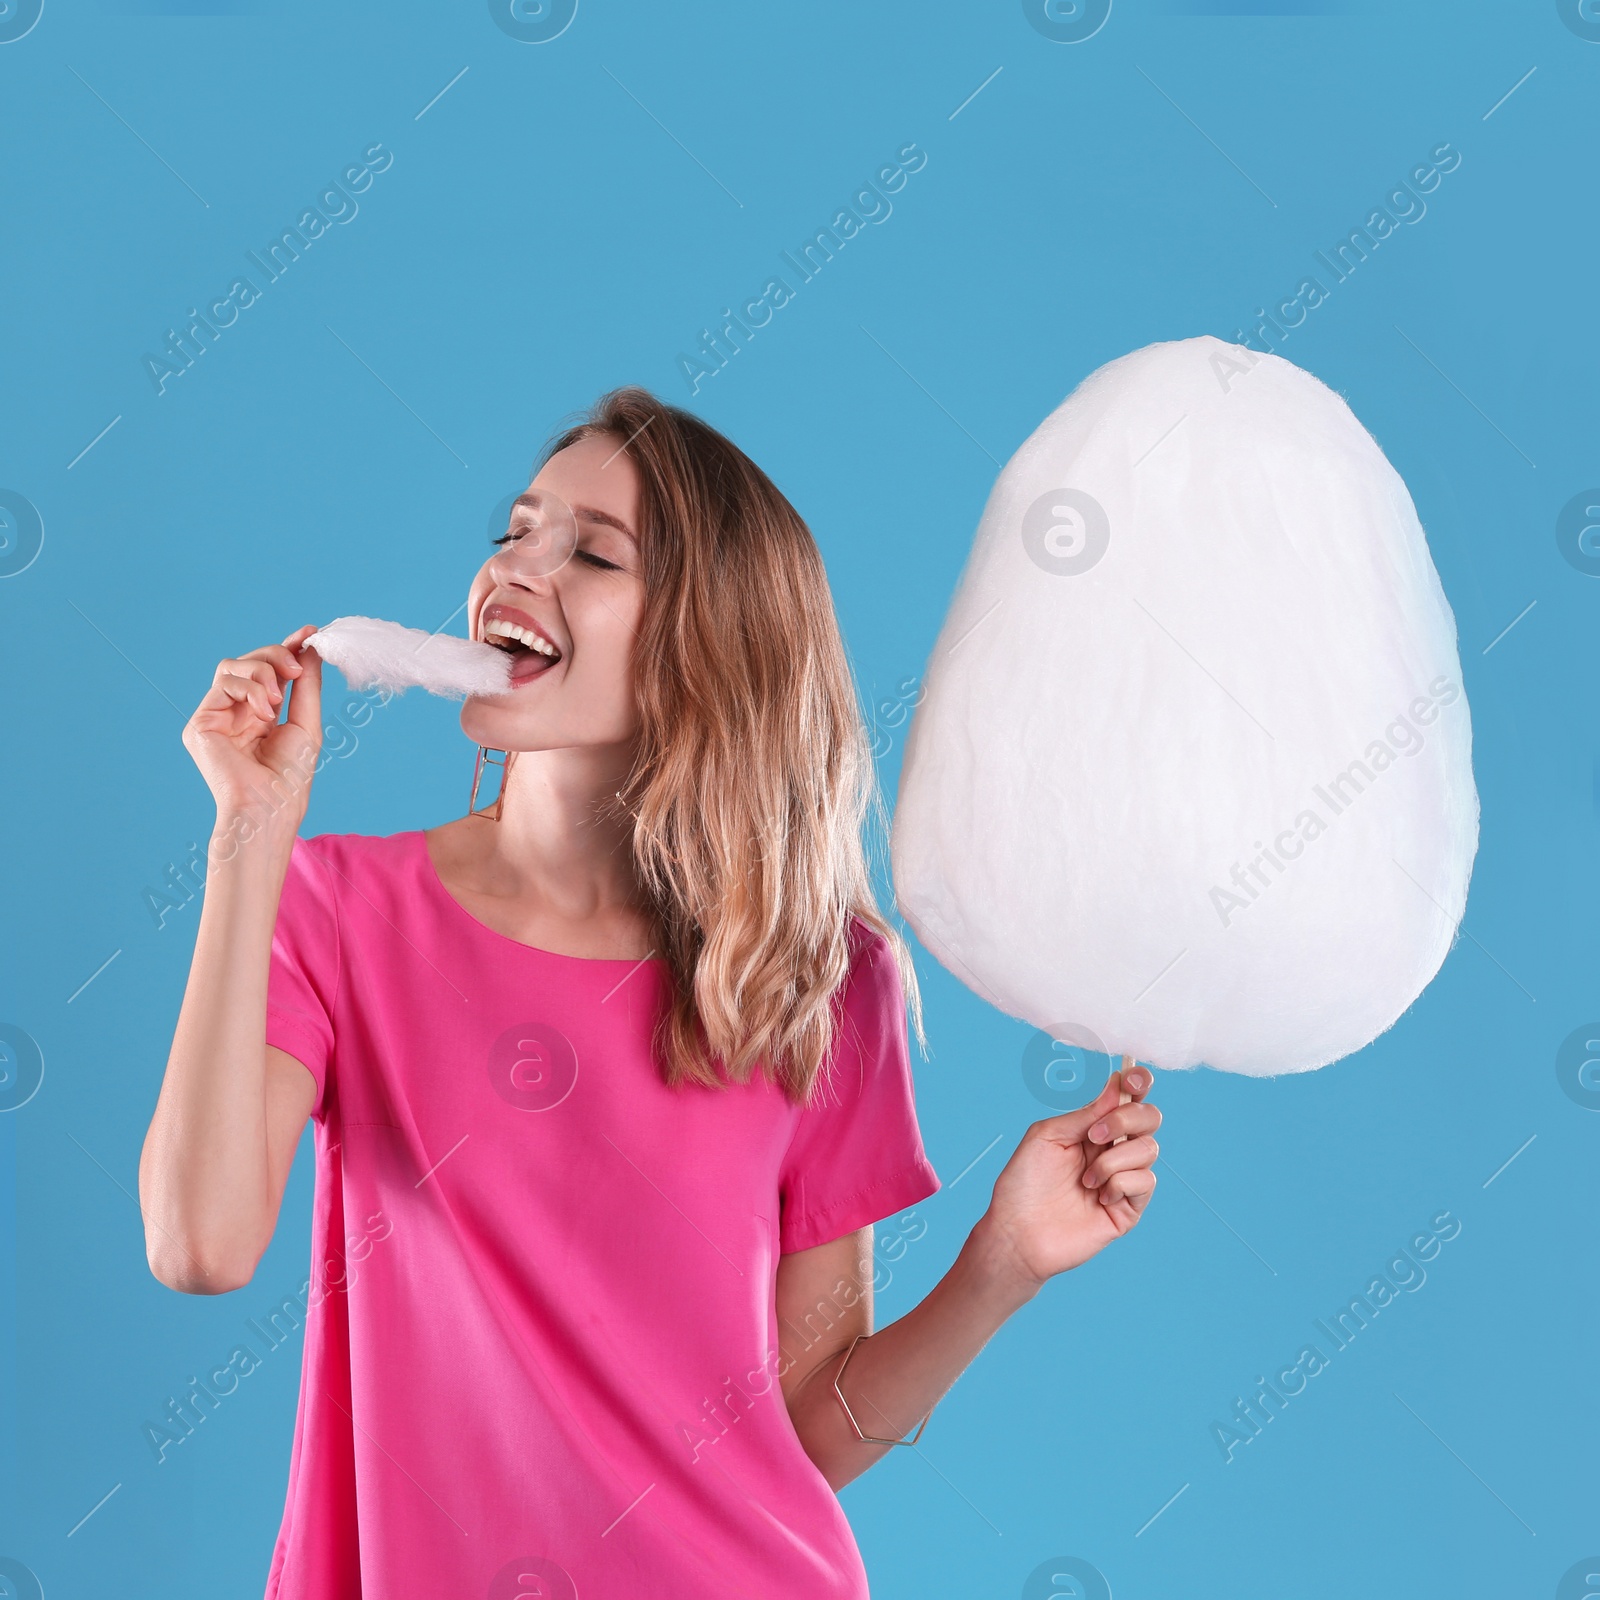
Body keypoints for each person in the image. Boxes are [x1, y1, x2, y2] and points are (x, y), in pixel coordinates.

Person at [138, 388, 1161, 1598]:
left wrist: (1003, 1261)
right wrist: (248, 833)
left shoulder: (815, 977)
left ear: (703, 642)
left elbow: (808, 1423)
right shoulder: (334, 912)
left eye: (591, 551)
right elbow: (199, 1244)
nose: (517, 570)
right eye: (516, 531)